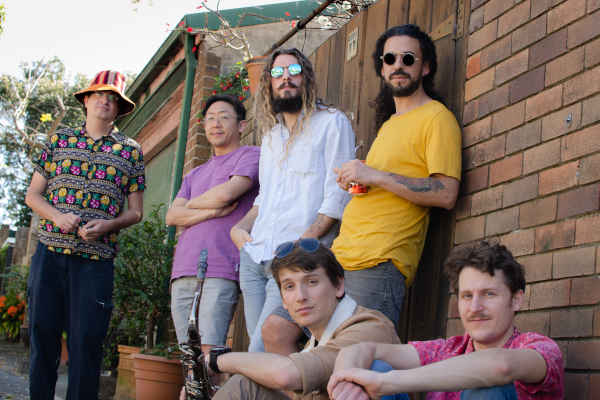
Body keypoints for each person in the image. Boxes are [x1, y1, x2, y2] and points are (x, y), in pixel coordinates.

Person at [331, 24, 462, 326]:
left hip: (380, 261)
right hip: (341, 257)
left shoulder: (437, 117)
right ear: (382, 68)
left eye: (408, 58)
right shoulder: (390, 123)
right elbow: (384, 182)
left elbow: (446, 192)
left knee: (357, 351)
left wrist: (375, 175)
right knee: (286, 336)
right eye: (390, 59)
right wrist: (359, 178)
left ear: (425, 67)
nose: (398, 65)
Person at [25, 70, 145, 400]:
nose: (105, 101)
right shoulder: (59, 140)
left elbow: (136, 211)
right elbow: (33, 195)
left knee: (87, 343)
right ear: (87, 101)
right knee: (43, 337)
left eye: (113, 98)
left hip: (96, 263)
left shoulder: (131, 151)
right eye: (99, 95)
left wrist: (108, 225)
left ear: (119, 108)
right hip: (50, 255)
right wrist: (57, 216)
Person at [230, 48, 355, 353]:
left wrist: (302, 245)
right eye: (277, 73)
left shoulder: (332, 123)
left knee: (259, 351)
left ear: (306, 77)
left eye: (293, 70)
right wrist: (239, 228)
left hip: (295, 259)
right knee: (268, 354)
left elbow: (337, 195)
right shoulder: (271, 137)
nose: (285, 78)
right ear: (269, 84)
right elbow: (264, 197)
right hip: (255, 256)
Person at [327, 241, 564, 400]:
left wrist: (386, 383)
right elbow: (361, 349)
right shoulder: (448, 350)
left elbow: (501, 366)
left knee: (484, 390)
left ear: (516, 300)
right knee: (373, 366)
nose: (475, 308)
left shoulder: (539, 348)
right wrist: (346, 382)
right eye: (467, 296)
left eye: (489, 294)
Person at [181, 239, 400, 400]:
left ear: (338, 285)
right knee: (245, 386)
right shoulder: (314, 341)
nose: (300, 296)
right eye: (289, 287)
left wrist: (216, 361)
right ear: (283, 301)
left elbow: (287, 375)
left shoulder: (368, 327)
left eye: (312, 282)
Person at [166, 94, 259, 355]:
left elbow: (227, 194)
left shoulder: (250, 155)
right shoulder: (194, 174)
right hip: (183, 268)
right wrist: (210, 212)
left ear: (241, 125)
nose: (216, 124)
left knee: (210, 352)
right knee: (188, 355)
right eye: (210, 119)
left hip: (221, 267)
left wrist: (191, 205)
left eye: (224, 117)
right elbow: (171, 216)